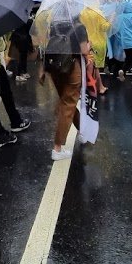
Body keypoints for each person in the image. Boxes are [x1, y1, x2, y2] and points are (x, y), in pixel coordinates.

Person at [42, 22, 87, 161]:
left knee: (67, 101)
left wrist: (42, 70)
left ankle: (81, 131)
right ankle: (57, 148)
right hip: (72, 69)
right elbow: (84, 50)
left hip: (56, 69)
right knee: (68, 105)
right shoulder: (79, 27)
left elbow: (47, 48)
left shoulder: (54, 25)